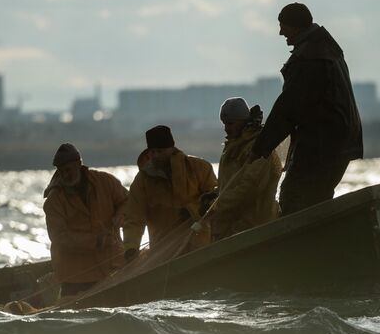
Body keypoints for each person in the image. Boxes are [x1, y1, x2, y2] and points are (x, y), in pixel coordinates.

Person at [249, 2, 363, 215]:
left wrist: (260, 148)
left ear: (295, 27)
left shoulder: (310, 59)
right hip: (340, 143)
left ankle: (302, 246)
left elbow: (288, 108)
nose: (280, 32)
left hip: (322, 145)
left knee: (294, 198)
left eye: (283, 26)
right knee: (318, 201)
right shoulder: (327, 51)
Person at [43, 143, 127, 297]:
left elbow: (127, 202)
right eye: (61, 171)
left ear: (79, 164)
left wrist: (120, 216)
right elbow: (60, 238)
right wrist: (97, 241)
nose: (65, 175)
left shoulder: (105, 181)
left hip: (113, 266)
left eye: (68, 169)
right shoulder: (53, 201)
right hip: (76, 277)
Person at [123, 125, 217, 262]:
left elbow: (216, 200)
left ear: (171, 148)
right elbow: (133, 218)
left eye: (160, 151)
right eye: (152, 152)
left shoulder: (200, 168)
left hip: (200, 249)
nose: (155, 156)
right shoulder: (142, 180)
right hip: (163, 255)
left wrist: (192, 210)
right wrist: (131, 247)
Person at [203, 97, 282, 241]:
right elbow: (229, 185)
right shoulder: (234, 146)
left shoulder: (258, 148)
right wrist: (214, 195)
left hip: (253, 228)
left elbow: (250, 188)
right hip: (232, 229)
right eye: (224, 124)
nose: (227, 128)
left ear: (243, 121)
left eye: (231, 123)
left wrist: (216, 205)